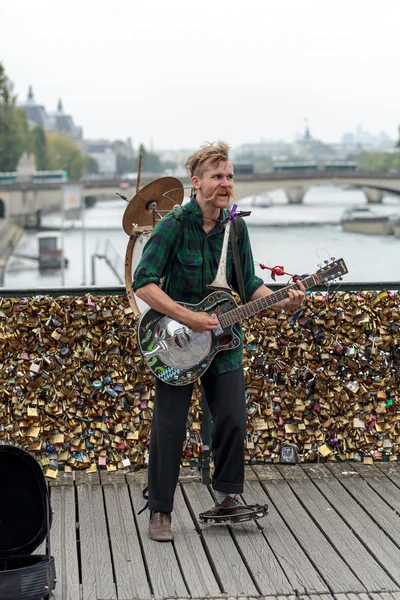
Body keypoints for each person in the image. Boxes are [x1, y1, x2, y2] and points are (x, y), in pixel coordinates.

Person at [132, 141, 305, 541]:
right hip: (175, 339)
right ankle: (160, 511)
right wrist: (189, 316)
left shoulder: (236, 226)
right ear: (197, 182)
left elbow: (251, 285)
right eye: (217, 177)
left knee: (231, 418)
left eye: (229, 176)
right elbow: (144, 283)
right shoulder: (172, 225)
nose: (225, 183)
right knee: (170, 426)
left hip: (225, 340)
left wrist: (283, 301)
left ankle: (227, 497)